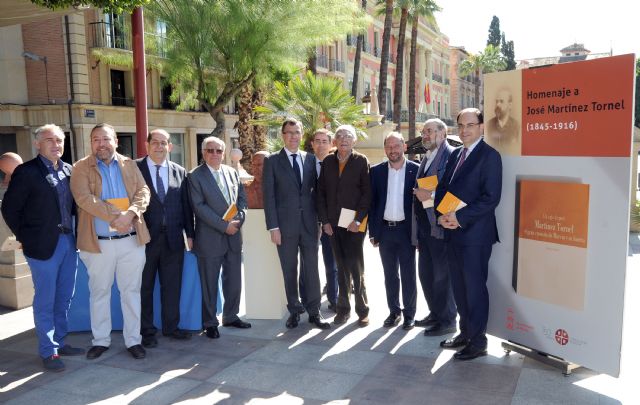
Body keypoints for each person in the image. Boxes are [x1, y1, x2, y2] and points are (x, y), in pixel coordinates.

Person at [1, 124, 83, 371]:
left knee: (65, 296)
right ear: (37, 143)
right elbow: (9, 209)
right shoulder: (26, 172)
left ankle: (60, 340)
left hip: (69, 243)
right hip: (42, 247)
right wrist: (25, 236)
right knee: (45, 299)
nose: (56, 144)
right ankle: (48, 351)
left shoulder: (69, 170)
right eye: (50, 140)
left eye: (59, 140)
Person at [70, 123, 150, 360]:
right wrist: (119, 216)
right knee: (99, 293)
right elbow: (84, 198)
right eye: (96, 139)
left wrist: (132, 214)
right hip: (99, 243)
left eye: (106, 139)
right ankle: (101, 341)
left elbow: (143, 192)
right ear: (91, 143)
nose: (101, 144)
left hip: (131, 240)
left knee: (131, 292)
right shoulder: (81, 167)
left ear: (116, 141)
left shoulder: (129, 164)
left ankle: (133, 341)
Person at [435, 108, 502, 361]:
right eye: (461, 125)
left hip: (475, 237)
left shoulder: (490, 156)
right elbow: (443, 188)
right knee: (460, 289)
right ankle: (465, 333)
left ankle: (478, 341)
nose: (464, 130)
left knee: (474, 290)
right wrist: (442, 215)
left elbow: (491, 198)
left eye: (470, 125)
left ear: (482, 127)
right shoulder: (454, 155)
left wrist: (459, 218)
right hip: (452, 233)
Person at [262, 119, 330, 330]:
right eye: (289, 132)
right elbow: (269, 197)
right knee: (289, 269)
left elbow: (317, 194)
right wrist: (273, 227)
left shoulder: (310, 160)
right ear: (282, 135)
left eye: (297, 132)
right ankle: (294, 310)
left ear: (302, 135)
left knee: (311, 269)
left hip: (309, 225)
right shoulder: (272, 161)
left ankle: (314, 311)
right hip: (284, 228)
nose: (293, 136)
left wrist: (319, 221)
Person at [136, 129, 195, 348]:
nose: (159, 147)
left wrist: (190, 234)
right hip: (144, 240)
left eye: (164, 143)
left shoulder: (180, 171)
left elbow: (186, 206)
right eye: (155, 143)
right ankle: (147, 331)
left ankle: (172, 327)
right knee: (145, 287)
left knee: (172, 286)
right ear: (147, 144)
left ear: (170, 147)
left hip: (173, 239)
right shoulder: (134, 168)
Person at [189, 136, 250, 339]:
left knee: (234, 280)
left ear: (223, 153)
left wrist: (240, 218)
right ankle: (210, 322)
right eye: (210, 150)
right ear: (203, 152)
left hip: (234, 237)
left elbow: (242, 199)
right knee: (209, 282)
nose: (214, 154)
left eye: (218, 150)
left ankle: (231, 316)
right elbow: (199, 207)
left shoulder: (232, 173)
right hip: (210, 238)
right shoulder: (195, 176)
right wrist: (224, 226)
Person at [317, 124, 371, 327]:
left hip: (354, 224)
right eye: (340, 136)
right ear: (335, 141)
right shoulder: (328, 161)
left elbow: (367, 194)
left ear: (354, 141)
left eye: (348, 136)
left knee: (356, 268)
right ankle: (343, 309)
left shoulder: (361, 161)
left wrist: (358, 220)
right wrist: (325, 221)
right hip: (333, 224)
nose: (344, 139)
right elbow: (320, 194)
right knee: (341, 268)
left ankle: (362, 310)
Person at [369, 132, 419, 330]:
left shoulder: (417, 170)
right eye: (389, 147)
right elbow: (372, 204)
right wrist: (373, 232)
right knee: (390, 274)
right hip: (385, 230)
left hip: (407, 231)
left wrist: (420, 235)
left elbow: (424, 205)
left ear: (404, 147)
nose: (393, 150)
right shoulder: (377, 171)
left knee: (408, 274)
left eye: (396, 146)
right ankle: (394, 311)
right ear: (385, 149)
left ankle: (410, 314)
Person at [413, 118, 457, 336]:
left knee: (442, 277)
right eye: (424, 131)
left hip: (440, 228)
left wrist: (429, 195)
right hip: (425, 229)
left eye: (429, 131)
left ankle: (448, 320)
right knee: (427, 275)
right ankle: (435, 313)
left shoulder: (450, 156)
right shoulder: (427, 157)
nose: (425, 135)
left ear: (443, 132)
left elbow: (453, 191)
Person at [311, 128, 338, 312]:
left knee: (332, 264)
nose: (321, 145)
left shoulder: (339, 164)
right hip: (308, 222)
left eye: (324, 141)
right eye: (317, 141)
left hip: (331, 223)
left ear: (331, 144)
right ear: (312, 144)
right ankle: (309, 300)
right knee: (309, 264)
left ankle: (334, 299)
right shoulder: (304, 163)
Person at [485, 88, 519, 153]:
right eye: (496, 101)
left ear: (510, 105)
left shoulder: (516, 126)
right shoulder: (489, 124)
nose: (498, 104)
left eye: (501, 101)